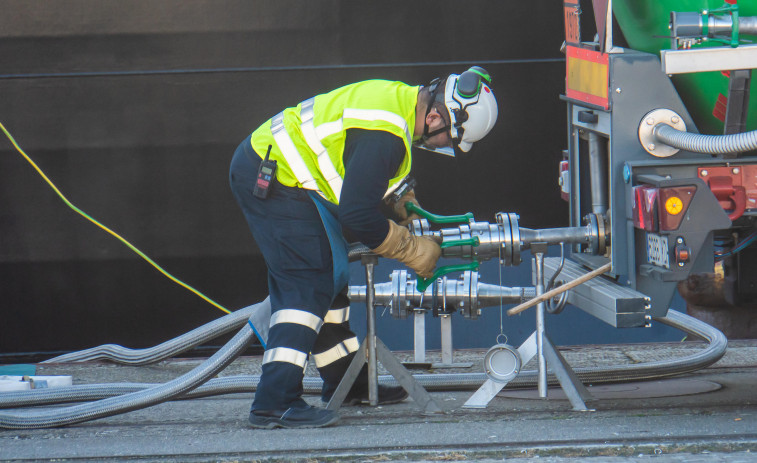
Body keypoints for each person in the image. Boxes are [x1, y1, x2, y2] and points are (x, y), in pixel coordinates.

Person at [229, 66, 498, 429]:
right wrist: (411, 249)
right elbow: (357, 216)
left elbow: (358, 163)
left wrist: (402, 199)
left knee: (332, 275)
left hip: (288, 173)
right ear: (435, 116)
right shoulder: (386, 136)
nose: (444, 146)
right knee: (306, 285)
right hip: (274, 176)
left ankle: (347, 381)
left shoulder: (399, 102)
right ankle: (273, 402)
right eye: (449, 139)